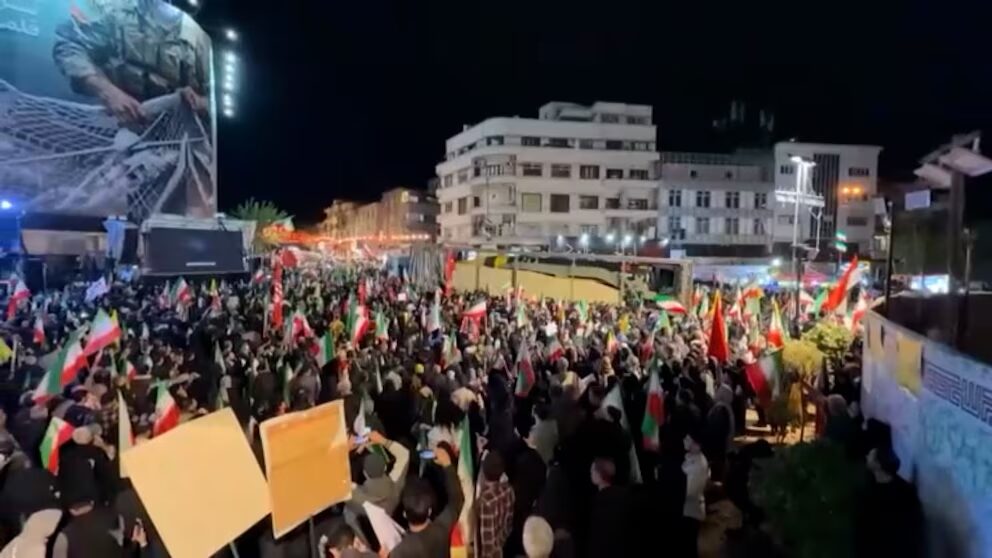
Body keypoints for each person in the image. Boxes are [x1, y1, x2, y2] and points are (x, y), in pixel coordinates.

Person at [390, 443, 464, 558]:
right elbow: (456, 500)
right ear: (429, 511)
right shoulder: (441, 529)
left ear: (405, 514)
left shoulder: (399, 551)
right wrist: (447, 465)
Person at [855, 446, 922, 558]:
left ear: (878, 464)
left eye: (870, 455)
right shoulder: (868, 493)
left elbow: (913, 529)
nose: (866, 457)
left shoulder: (904, 494)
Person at [349, 430, 410, 516]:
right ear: (385, 468)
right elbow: (404, 455)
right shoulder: (395, 484)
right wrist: (382, 440)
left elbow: (340, 482)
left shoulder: (356, 497)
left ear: (364, 473)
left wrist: (349, 450)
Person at [476, 451, 514, 558]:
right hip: (503, 544)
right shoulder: (509, 489)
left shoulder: (485, 501)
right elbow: (508, 524)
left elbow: (488, 543)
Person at [681, 430, 709, 558]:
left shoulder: (699, 464)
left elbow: (690, 491)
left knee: (689, 547)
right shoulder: (691, 457)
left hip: (692, 512)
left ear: (697, 444)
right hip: (688, 509)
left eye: (689, 439)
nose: (685, 440)